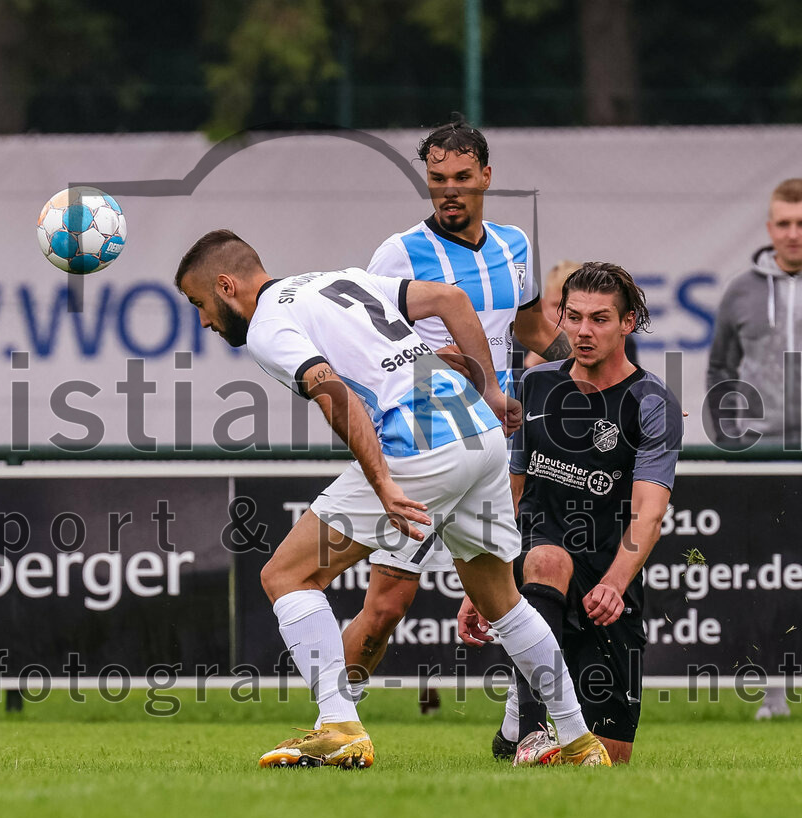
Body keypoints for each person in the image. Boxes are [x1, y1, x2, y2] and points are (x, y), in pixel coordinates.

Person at [175, 229, 611, 768]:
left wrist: (382, 482)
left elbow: (332, 392)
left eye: (200, 304)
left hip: (419, 445)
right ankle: (578, 742)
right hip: (480, 434)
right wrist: (492, 392)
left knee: (287, 576)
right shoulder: (338, 278)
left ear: (226, 284)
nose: (203, 321)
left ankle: (337, 724)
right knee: (504, 600)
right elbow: (451, 299)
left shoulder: (268, 325)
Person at [338, 119, 574, 709]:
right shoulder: (399, 253)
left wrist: (590, 375)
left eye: (462, 177)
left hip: (493, 448)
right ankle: (336, 717)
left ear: (486, 177)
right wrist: (434, 359)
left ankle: (551, 726)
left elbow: (529, 328)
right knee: (388, 605)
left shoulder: (513, 244)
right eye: (437, 178)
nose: (449, 190)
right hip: (424, 441)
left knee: (507, 601)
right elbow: (364, 345)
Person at [459, 262, 683, 764]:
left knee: (609, 759)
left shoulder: (652, 404)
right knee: (549, 559)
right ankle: (532, 722)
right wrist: (482, 582)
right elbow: (507, 494)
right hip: (537, 559)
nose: (583, 331)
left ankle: (520, 713)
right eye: (574, 316)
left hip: (607, 577)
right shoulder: (533, 384)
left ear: (628, 323)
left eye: (600, 319)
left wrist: (615, 582)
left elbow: (648, 514)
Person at [706, 177, 802, 719]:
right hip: (763, 461)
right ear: (770, 229)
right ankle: (773, 691)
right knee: (769, 579)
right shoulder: (741, 291)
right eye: (784, 223)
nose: (793, 234)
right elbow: (721, 366)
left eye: (801, 224)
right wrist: (726, 438)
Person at [523, 260, 639, 369]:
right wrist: (530, 364)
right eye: (556, 305)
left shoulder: (618, 339)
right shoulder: (524, 340)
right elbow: (513, 387)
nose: (562, 315)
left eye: (599, 319)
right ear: (543, 305)